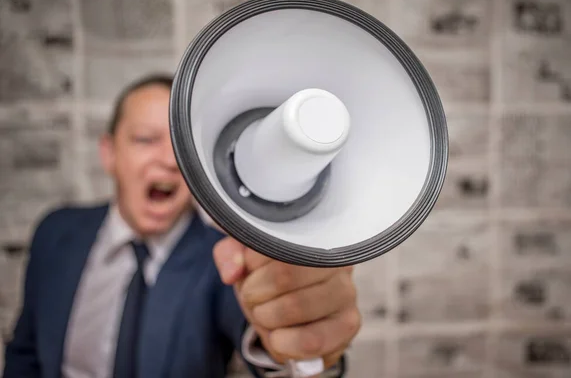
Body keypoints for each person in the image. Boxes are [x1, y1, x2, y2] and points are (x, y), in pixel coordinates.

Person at [2, 75, 361, 378]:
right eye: (145, 139)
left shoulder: (223, 255)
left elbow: (264, 340)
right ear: (109, 154)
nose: (169, 160)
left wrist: (304, 339)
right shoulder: (56, 232)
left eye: (182, 146)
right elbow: (26, 352)